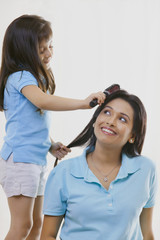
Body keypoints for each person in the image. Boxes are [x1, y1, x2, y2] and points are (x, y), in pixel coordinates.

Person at [0, 14, 105, 240]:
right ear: (24, 52)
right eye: (42, 50)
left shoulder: (33, 78)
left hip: (34, 159)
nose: (49, 54)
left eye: (50, 46)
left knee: (37, 224)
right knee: (22, 226)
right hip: (20, 161)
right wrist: (83, 103)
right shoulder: (20, 77)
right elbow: (43, 102)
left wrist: (51, 145)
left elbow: (29, 125)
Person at [40, 89, 157, 240]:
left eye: (123, 119)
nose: (111, 121)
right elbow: (47, 236)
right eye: (107, 112)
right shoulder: (63, 172)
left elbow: (147, 233)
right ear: (95, 120)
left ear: (132, 136)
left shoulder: (146, 170)